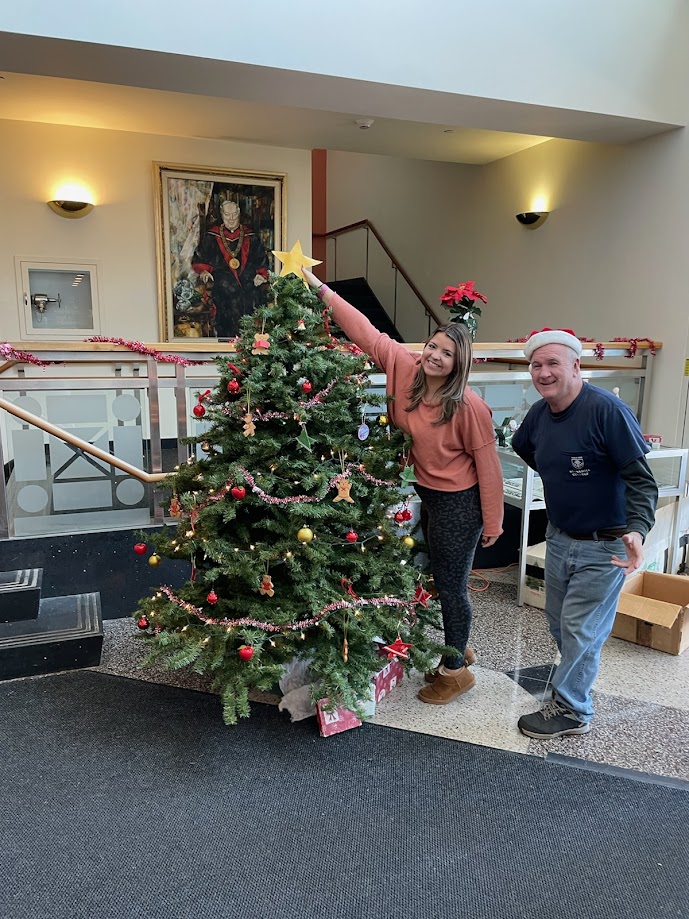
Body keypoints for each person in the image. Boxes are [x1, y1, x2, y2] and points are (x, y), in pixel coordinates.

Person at [302, 267, 504, 705]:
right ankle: (459, 644)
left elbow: (489, 465)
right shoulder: (404, 366)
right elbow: (364, 331)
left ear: (458, 363)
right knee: (439, 577)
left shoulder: (469, 406)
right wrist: (320, 289)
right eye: (432, 345)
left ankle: (455, 673)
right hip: (427, 495)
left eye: (446, 353)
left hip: (460, 503)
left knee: (451, 584)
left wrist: (493, 521)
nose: (434, 355)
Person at [511, 327, 658, 738]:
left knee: (580, 629)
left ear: (576, 366)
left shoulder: (606, 410)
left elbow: (642, 481)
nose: (543, 372)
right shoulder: (540, 414)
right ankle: (570, 685)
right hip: (560, 538)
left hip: (606, 545)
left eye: (553, 363)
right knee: (560, 624)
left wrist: (637, 531)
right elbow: (527, 448)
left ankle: (574, 709)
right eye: (536, 365)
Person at [192, 200, 270, 337]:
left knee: (252, 296)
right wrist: (204, 272)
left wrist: (261, 275)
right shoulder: (211, 237)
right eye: (227, 215)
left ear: (239, 213)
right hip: (223, 284)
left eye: (234, 214)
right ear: (222, 215)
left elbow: (261, 260)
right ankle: (228, 340)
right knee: (226, 294)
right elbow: (200, 258)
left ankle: (250, 340)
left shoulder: (251, 237)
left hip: (248, 283)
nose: (231, 218)